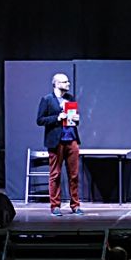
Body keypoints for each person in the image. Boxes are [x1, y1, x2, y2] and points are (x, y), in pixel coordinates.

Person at [36, 72, 84, 216]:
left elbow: (73, 119)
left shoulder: (70, 98)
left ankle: (75, 205)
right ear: (56, 84)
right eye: (64, 82)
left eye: (68, 82)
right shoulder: (47, 100)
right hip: (56, 141)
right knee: (55, 174)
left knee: (74, 175)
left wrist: (76, 119)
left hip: (71, 139)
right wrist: (57, 117)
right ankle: (55, 206)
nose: (68, 84)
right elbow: (40, 120)